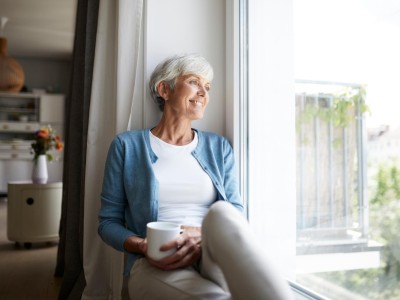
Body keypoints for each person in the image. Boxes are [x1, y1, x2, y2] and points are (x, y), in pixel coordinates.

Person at [98, 54, 294, 300]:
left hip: (210, 249)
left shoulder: (218, 147)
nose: (203, 92)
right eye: (194, 82)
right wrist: (143, 246)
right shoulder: (127, 146)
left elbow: (236, 212)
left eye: (207, 87)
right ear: (164, 89)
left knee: (224, 213)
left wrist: (200, 235)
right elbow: (108, 223)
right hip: (158, 259)